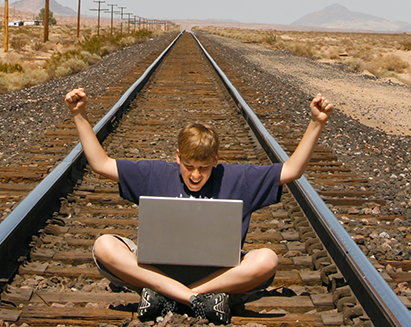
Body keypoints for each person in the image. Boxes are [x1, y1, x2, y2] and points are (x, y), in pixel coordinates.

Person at [64, 86, 335, 324]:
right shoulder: (155, 173)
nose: (195, 175)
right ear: (178, 156)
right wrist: (79, 115)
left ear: (216, 159)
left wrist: (316, 123)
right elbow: (100, 164)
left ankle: (169, 296)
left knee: (267, 259)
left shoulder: (238, 178)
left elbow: (292, 170)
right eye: (189, 167)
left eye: (204, 168)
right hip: (159, 270)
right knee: (104, 246)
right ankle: (195, 299)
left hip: (218, 274)